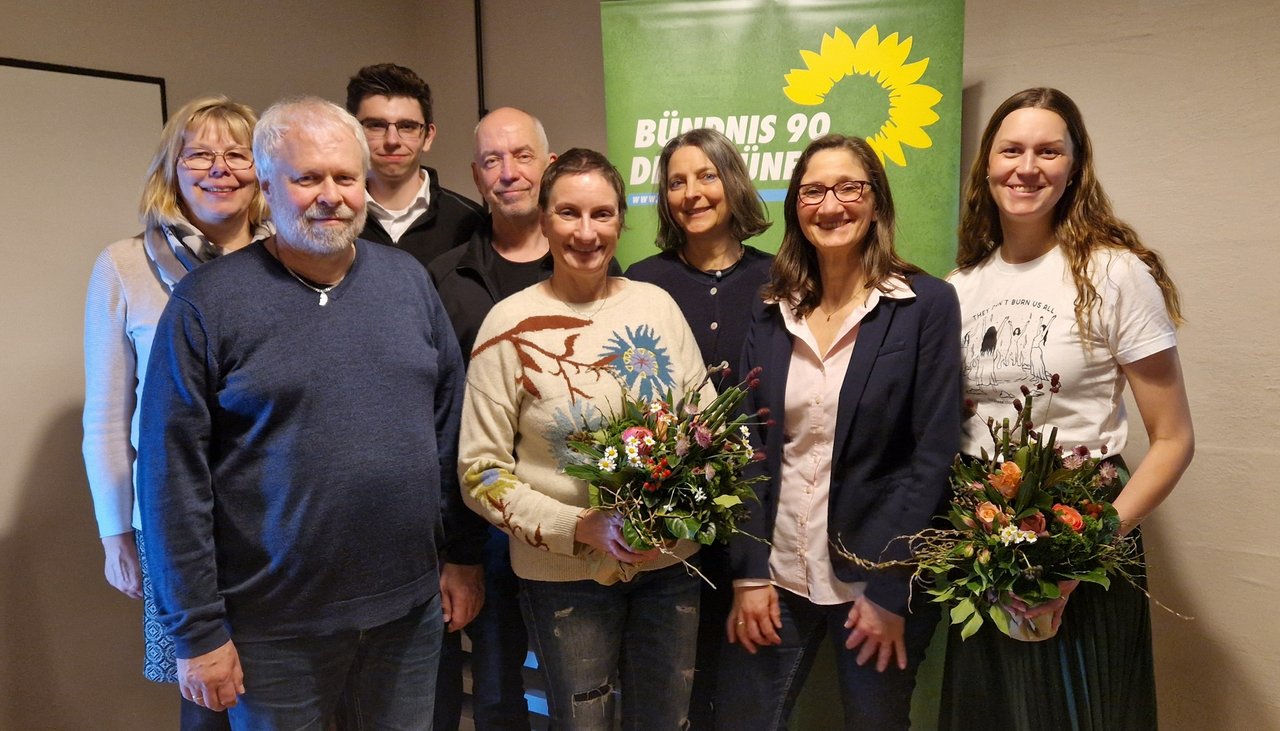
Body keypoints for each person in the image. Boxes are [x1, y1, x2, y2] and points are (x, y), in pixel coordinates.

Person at [136, 97, 484, 728]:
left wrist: (461, 555)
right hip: (271, 630)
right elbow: (170, 480)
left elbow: (447, 433)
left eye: (346, 177)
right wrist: (198, 632)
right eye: (308, 178)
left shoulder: (407, 283)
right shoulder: (205, 305)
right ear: (267, 185)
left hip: (406, 615)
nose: (331, 195)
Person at [939, 87, 1194, 731]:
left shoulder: (1114, 274)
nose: (1028, 167)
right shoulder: (959, 288)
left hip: (1084, 532)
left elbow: (1173, 440)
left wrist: (1085, 554)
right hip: (984, 534)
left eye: (1049, 151)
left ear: (1075, 167)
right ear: (986, 166)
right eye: (1011, 150)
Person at [458, 148, 714, 730]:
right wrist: (579, 526)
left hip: (668, 565)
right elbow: (480, 473)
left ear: (621, 220)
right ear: (544, 219)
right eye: (569, 213)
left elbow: (706, 429)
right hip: (563, 577)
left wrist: (676, 516)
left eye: (601, 214)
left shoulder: (657, 305)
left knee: (667, 720)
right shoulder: (509, 326)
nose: (586, 232)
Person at [717, 134, 962, 731]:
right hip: (776, 573)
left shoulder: (924, 303)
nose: (832, 206)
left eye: (849, 188)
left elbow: (930, 456)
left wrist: (887, 587)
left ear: (876, 201)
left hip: (873, 581)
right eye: (813, 191)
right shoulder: (773, 305)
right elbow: (747, 444)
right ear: (797, 206)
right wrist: (748, 571)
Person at [82, 95, 270, 731]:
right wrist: (117, 534)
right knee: (208, 702)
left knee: (291, 695)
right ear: (172, 168)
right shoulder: (124, 267)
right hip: (174, 526)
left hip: (283, 520)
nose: (220, 169)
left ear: (262, 167)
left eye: (237, 154)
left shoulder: (290, 260)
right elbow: (108, 418)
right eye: (200, 155)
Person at [624, 127, 772, 728]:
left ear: (731, 183)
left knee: (743, 685)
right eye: (677, 181)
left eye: (706, 176)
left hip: (760, 508)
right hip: (669, 513)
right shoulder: (641, 278)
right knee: (671, 687)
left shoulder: (781, 276)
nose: (692, 192)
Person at [427, 106, 559, 731]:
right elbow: (438, 422)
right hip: (485, 529)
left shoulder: (591, 269)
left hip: (575, 522)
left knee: (580, 687)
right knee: (500, 691)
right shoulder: (443, 282)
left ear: (549, 166)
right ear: (476, 178)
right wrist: (459, 550)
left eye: (522, 156)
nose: (508, 173)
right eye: (491, 161)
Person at [346, 62, 484, 266]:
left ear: (428, 136)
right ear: (354, 132)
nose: (392, 140)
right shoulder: (335, 217)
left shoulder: (470, 222)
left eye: (407, 126)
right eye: (376, 125)